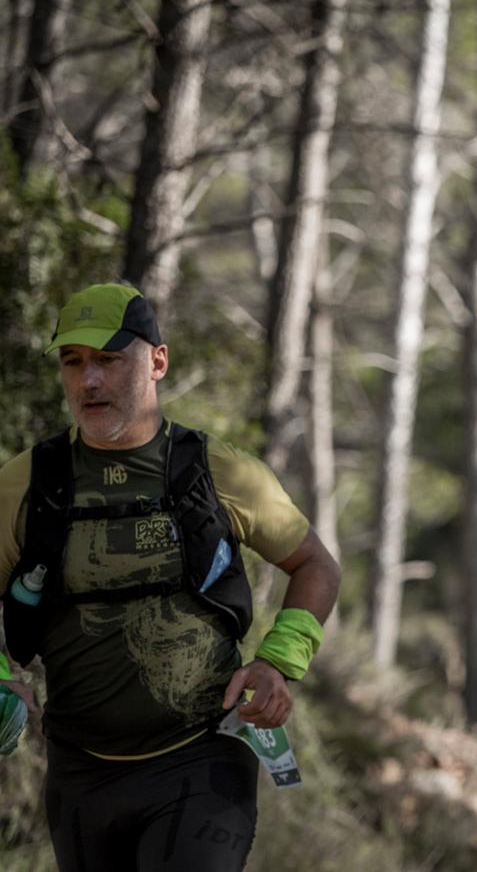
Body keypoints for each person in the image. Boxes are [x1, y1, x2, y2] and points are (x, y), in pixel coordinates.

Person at [0, 282, 341, 872]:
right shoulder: (28, 482)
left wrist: (279, 660)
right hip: (80, 770)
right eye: (73, 362)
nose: (90, 382)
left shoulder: (217, 469)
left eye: (109, 359)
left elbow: (315, 564)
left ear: (157, 361)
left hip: (202, 760)